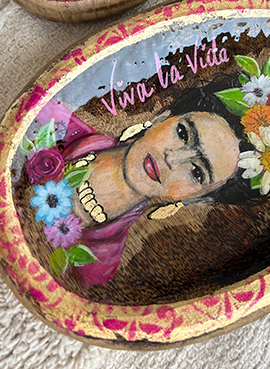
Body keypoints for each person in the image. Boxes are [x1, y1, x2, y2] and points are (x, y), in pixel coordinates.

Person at [32, 76, 257, 286]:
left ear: (195, 199)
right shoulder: (47, 120)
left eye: (197, 172)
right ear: (162, 117)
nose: (172, 159)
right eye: (182, 133)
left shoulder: (97, 267)